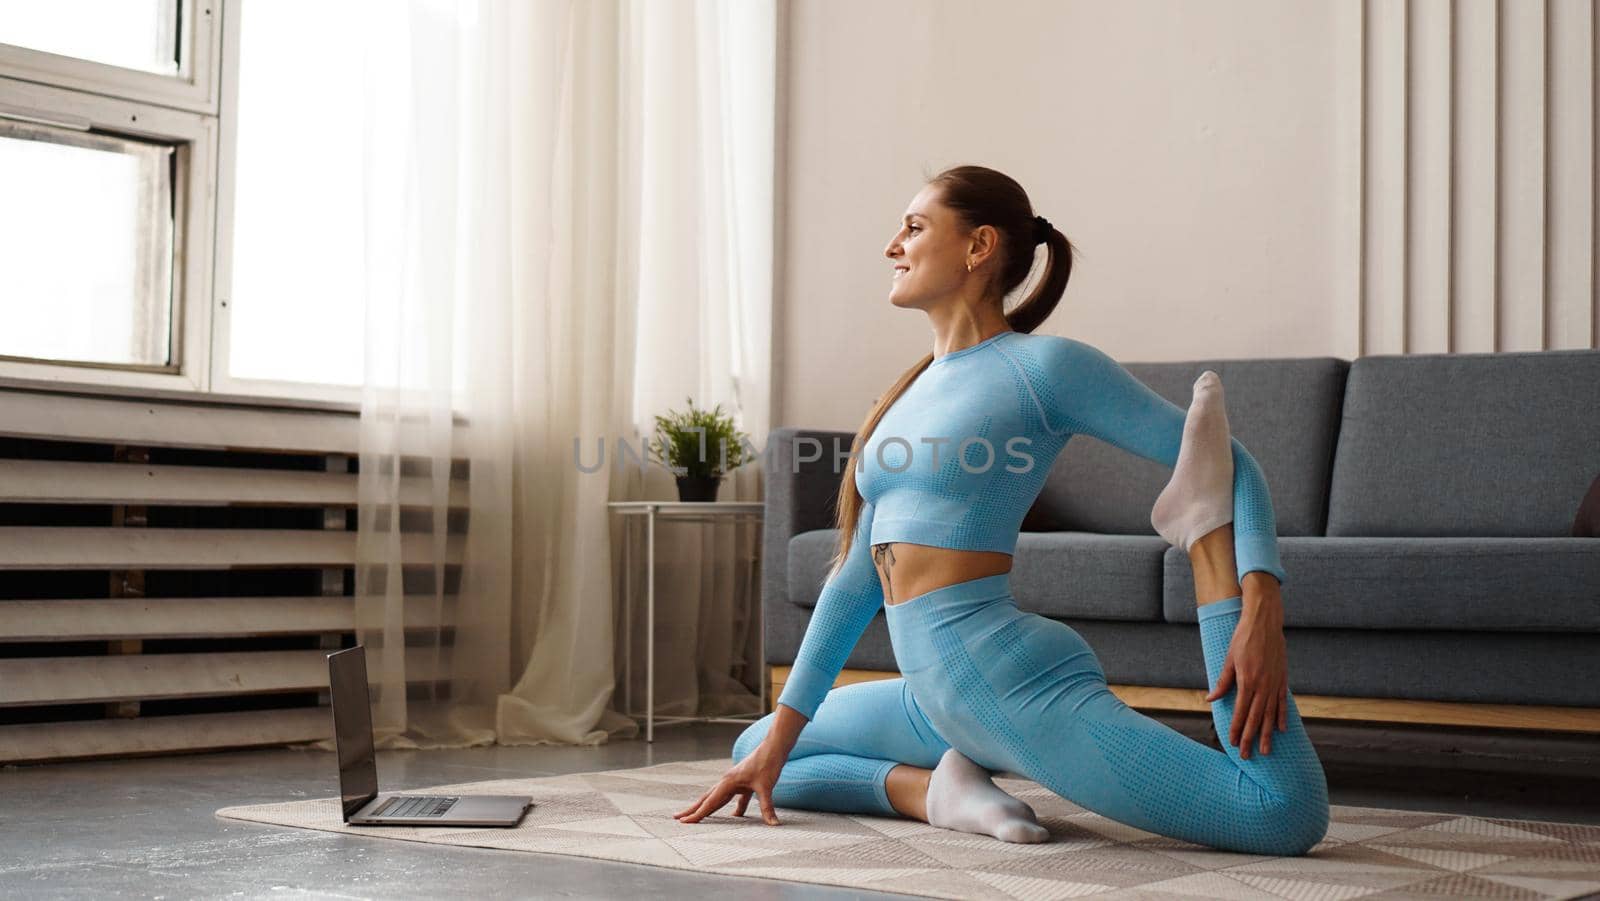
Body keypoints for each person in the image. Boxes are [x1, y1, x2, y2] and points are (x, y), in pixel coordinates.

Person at [674, 165, 1330, 856]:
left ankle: (1205, 547)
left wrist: (1259, 609)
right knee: (760, 743)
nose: (893, 244)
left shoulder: (1044, 369)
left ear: (978, 245)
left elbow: (1231, 460)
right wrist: (784, 732)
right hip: (933, 697)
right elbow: (853, 581)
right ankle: (934, 792)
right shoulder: (905, 396)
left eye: (915, 226)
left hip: (1009, 685)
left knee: (1278, 815)